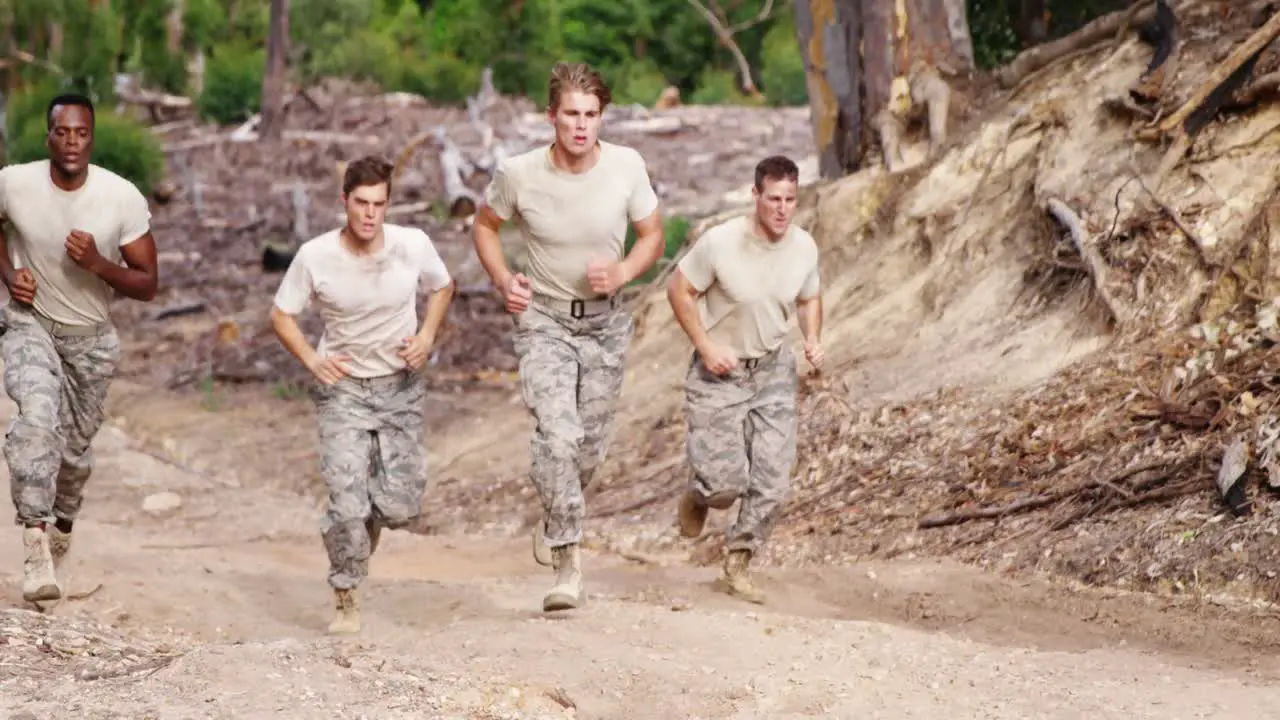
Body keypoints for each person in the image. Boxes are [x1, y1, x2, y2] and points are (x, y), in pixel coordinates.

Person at [473, 62, 665, 612]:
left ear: (602, 117)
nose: (581, 126)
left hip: (605, 323)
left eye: (591, 115)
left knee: (587, 449)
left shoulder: (627, 166)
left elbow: (651, 235)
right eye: (571, 115)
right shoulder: (519, 173)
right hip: (545, 322)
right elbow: (485, 227)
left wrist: (625, 272)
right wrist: (505, 279)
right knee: (558, 437)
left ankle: (557, 511)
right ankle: (567, 563)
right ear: (551, 116)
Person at [270, 155, 455, 634]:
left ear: (388, 204)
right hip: (344, 389)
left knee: (401, 506)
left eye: (379, 204)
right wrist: (313, 360)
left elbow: (442, 286)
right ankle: (346, 590)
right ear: (344, 203)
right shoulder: (316, 255)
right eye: (361, 203)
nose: (370, 214)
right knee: (347, 501)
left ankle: (358, 526)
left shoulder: (412, 245)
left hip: (400, 386)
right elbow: (281, 314)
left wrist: (428, 336)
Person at [0, 92, 160, 605]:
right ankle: (35, 543)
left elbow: (148, 282)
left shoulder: (120, 198)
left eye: (81, 132)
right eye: (62, 132)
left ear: (93, 137)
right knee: (36, 421)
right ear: (48, 136)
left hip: (90, 340)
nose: (71, 142)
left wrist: (97, 263)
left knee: (73, 455)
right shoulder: (14, 183)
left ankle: (63, 521)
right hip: (32, 325)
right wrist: (9, 277)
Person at [666, 155, 823, 605]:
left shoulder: (804, 247)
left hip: (772, 370)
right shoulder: (720, 243)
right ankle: (699, 494)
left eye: (790, 200)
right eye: (773, 199)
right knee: (724, 486)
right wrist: (706, 346)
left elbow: (810, 297)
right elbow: (680, 290)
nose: (782, 209)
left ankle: (737, 562)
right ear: (755, 196)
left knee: (773, 483)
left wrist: (812, 338)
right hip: (721, 372)